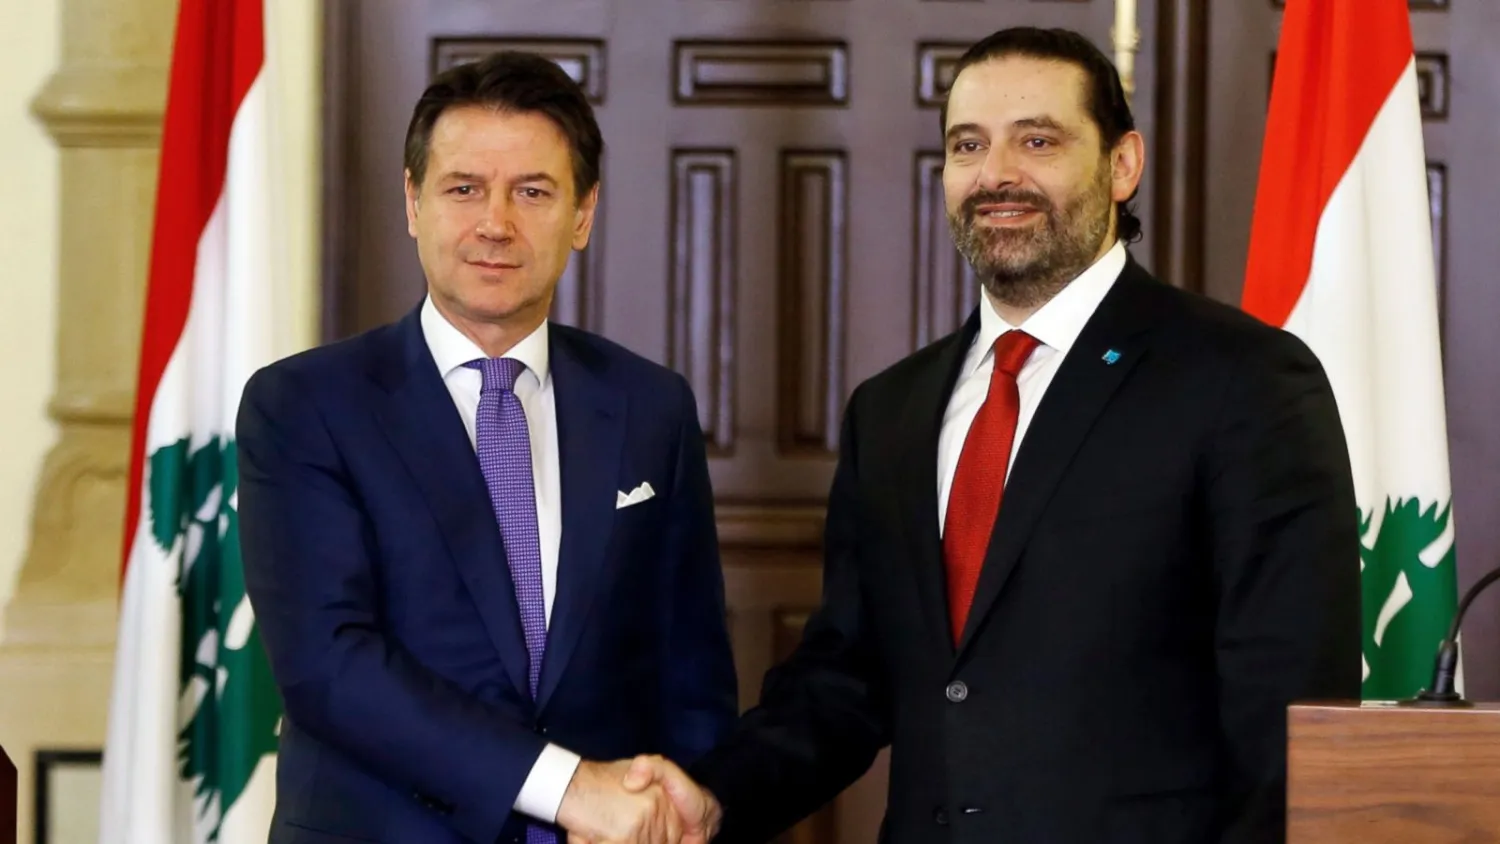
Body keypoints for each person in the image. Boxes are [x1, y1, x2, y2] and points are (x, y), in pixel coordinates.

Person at [623, 26, 1361, 844]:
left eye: (1037, 140)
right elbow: (844, 682)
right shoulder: (892, 410)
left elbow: (1288, 720)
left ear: (1123, 166)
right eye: (968, 145)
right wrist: (715, 797)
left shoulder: (1243, 381)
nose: (997, 174)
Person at [237, 51, 737, 844]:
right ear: (412, 201)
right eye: (464, 188)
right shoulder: (304, 406)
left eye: (532, 192)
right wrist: (569, 789)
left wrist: (689, 805)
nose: (495, 223)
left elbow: (691, 674)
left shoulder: (650, 405)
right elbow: (330, 668)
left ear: (584, 213)